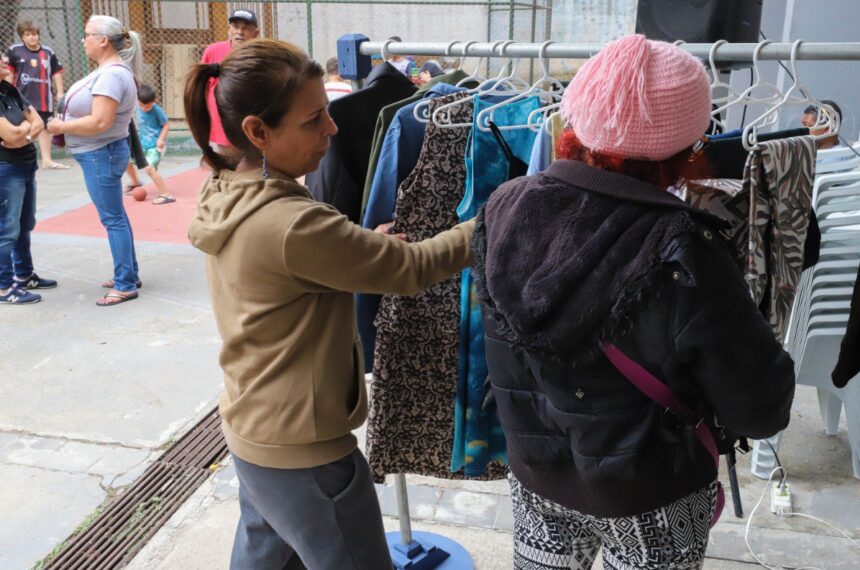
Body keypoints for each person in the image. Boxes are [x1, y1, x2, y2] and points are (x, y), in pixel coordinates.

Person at [473, 35, 795, 569]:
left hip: (537, 471)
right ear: (687, 144)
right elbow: (759, 408)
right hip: (652, 491)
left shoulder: (506, 206)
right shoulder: (683, 249)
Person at [184, 38, 476, 569]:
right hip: (305, 453)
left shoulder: (225, 186)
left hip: (254, 427)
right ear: (257, 131)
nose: (333, 129)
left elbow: (299, 261)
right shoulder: (294, 224)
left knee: (263, 559)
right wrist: (498, 216)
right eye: (313, 119)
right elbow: (411, 269)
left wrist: (363, 242)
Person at [46, 15, 143, 306]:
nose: (83, 39)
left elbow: (100, 122)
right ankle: (129, 273)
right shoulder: (109, 71)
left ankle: (126, 283)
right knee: (116, 216)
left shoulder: (112, 74)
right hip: (102, 152)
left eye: (87, 34)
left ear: (103, 40)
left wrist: (61, 127)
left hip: (101, 152)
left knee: (112, 219)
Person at [0, 58, 57, 304]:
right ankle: (4, 286)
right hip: (7, 168)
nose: (5, 61)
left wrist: (22, 132)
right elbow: (10, 135)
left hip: (25, 164)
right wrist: (25, 130)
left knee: (25, 223)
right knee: (6, 229)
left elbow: (39, 123)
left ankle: (24, 274)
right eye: (0, 58)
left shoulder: (9, 89)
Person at [6, 19, 68, 170]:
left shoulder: (48, 52)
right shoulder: (14, 50)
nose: (32, 37)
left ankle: (47, 160)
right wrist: (6, 90)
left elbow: (57, 72)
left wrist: (60, 92)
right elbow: (9, 71)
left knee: (45, 128)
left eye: (34, 34)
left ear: (38, 35)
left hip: (44, 98)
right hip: (22, 98)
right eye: (27, 35)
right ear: (22, 37)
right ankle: (17, 158)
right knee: (21, 124)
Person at [200, 8, 259, 157]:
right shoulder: (212, 51)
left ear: (256, 33)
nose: (240, 32)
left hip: (250, 122)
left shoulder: (260, 55)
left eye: (246, 28)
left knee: (250, 166)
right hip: (220, 124)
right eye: (236, 27)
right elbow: (201, 86)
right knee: (226, 164)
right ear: (229, 30)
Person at [125, 83, 175, 205]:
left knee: (149, 168)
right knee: (126, 161)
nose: (144, 109)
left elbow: (166, 125)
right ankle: (135, 182)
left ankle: (166, 194)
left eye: (147, 106)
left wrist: (161, 139)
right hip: (142, 144)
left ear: (154, 101)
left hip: (155, 146)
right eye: (142, 106)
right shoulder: (136, 105)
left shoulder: (157, 110)